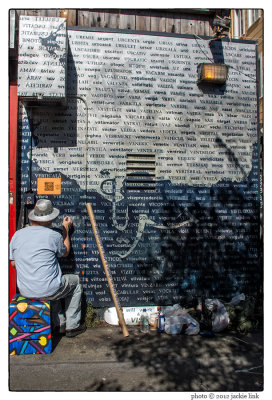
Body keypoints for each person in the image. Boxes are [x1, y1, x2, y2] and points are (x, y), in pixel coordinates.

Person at [9, 198, 86, 338]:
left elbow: (13, 263)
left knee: (53, 281)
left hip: (26, 291)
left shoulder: (17, 235)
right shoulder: (53, 235)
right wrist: (65, 230)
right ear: (50, 218)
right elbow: (66, 251)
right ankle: (72, 326)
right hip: (49, 289)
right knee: (74, 284)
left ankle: (60, 323)